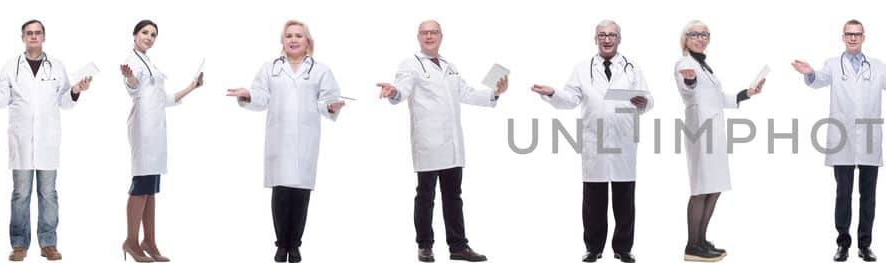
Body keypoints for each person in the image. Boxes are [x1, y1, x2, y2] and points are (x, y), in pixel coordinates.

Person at [791, 19, 886, 262]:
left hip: (869, 138)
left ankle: (865, 245)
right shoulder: (832, 65)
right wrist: (811, 73)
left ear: (864, 37)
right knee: (843, 194)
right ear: (843, 37)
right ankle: (843, 244)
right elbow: (820, 80)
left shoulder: (877, 67)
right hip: (842, 139)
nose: (853, 38)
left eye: (857, 34)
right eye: (849, 34)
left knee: (868, 196)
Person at [0, 19, 93, 262]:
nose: (34, 36)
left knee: (48, 194)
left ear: (44, 36)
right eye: (29, 33)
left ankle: (48, 243)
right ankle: (19, 245)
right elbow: (0, 98)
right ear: (23, 37)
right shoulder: (10, 67)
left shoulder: (57, 66)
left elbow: (64, 101)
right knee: (20, 194)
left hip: (48, 141)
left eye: (38, 33)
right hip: (21, 142)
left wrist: (76, 91)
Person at [376, 20, 503, 263]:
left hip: (453, 144)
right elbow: (401, 89)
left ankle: (458, 247)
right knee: (425, 196)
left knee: (454, 196)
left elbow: (465, 93)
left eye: (433, 32)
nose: (429, 36)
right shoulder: (410, 64)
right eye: (424, 33)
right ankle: (425, 246)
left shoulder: (450, 66)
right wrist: (393, 92)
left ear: (441, 36)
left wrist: (494, 92)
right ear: (418, 37)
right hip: (428, 143)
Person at [528, 19, 653, 263]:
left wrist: (644, 103)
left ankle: (623, 248)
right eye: (602, 35)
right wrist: (552, 93)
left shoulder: (632, 68)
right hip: (594, 143)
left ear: (619, 39)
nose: (607, 39)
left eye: (612, 35)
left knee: (624, 200)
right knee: (593, 202)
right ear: (595, 39)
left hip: (623, 142)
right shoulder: (582, 68)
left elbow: (648, 100)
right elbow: (570, 99)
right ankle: (593, 248)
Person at [224, 20, 346, 263]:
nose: (293, 39)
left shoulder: (320, 70)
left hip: (305, 139)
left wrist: (331, 105)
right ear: (282, 41)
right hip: (279, 139)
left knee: (300, 195)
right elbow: (260, 97)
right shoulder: (270, 68)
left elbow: (327, 99)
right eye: (289, 35)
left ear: (307, 41)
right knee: (280, 194)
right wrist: (248, 94)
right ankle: (282, 245)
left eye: (298, 36)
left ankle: (295, 245)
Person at [672, 19, 766, 262]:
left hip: (714, 131)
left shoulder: (705, 66)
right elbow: (688, 90)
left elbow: (718, 98)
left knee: (714, 187)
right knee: (702, 188)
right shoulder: (685, 63)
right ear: (686, 38)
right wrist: (690, 80)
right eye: (695, 34)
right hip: (700, 131)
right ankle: (692, 245)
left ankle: (701, 240)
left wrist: (748, 93)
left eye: (704, 34)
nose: (700, 38)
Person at [118, 19, 204, 263]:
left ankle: (150, 241)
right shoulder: (131, 61)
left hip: (156, 130)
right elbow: (133, 84)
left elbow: (162, 98)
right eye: (145, 32)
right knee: (141, 184)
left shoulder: (149, 61)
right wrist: (129, 78)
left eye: (153, 34)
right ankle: (131, 241)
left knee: (151, 189)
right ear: (134, 34)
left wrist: (192, 87)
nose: (149, 37)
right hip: (143, 130)